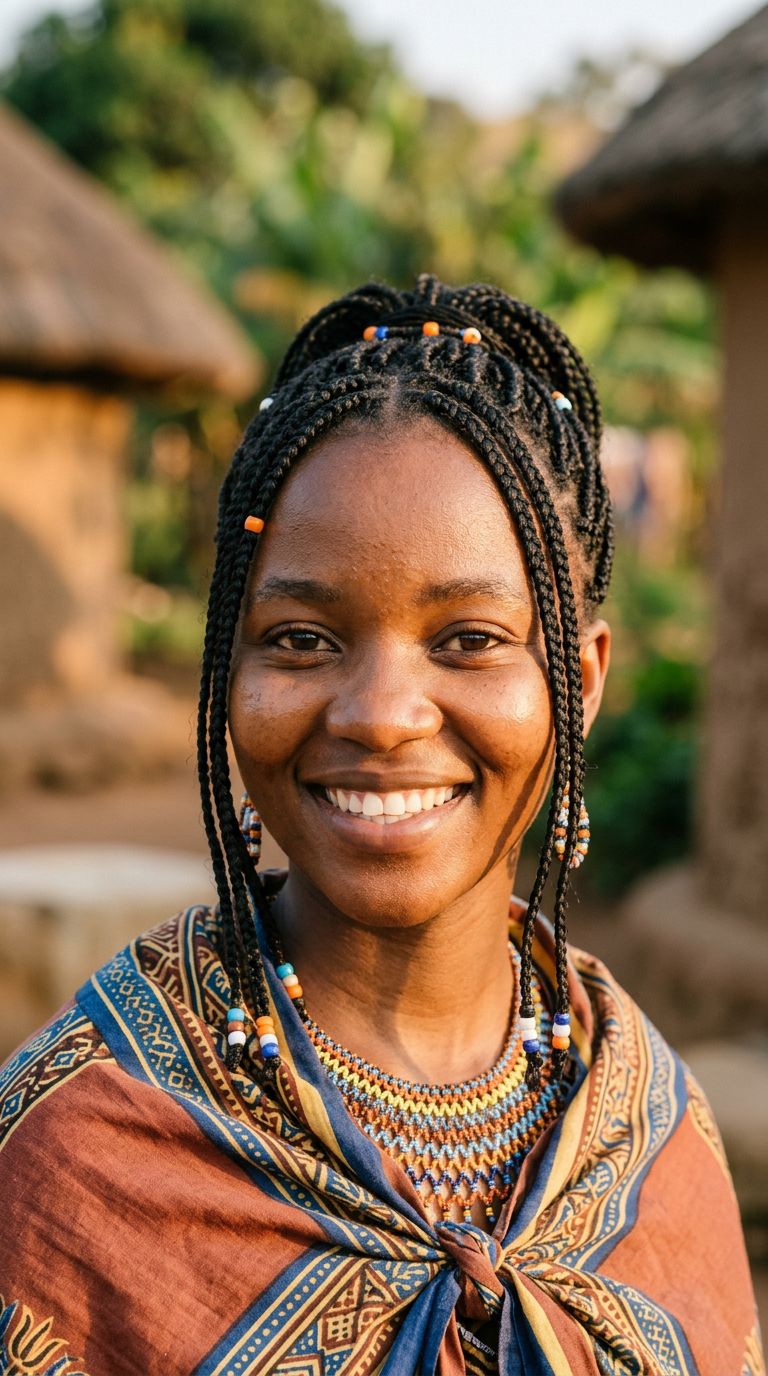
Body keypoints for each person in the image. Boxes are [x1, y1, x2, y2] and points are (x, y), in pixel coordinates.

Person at [0, 277, 762, 1376]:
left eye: (470, 639)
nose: (381, 714)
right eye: (302, 639)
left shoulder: (653, 1130)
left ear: (580, 680)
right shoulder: (78, 1152)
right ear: (228, 669)